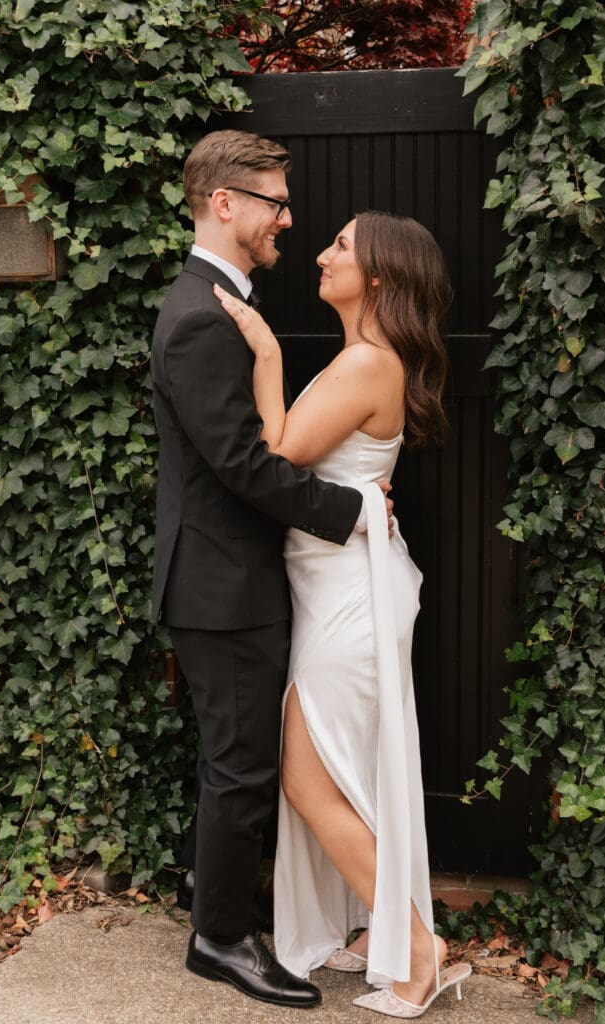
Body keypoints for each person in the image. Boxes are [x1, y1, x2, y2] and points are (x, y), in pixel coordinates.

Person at [150, 130, 393, 1009]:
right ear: (226, 204)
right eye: (275, 202)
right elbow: (244, 467)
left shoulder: (219, 304)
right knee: (243, 765)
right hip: (221, 586)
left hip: (233, 579)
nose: (288, 218)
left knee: (237, 759)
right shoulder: (199, 317)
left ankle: (211, 897)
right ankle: (219, 938)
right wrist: (353, 511)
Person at [214, 211, 472, 1020]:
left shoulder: (366, 362)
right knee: (350, 774)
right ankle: (376, 932)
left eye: (340, 248)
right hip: (338, 587)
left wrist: (264, 355)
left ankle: (420, 951)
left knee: (306, 776)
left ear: (381, 278)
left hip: (349, 599)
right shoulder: (362, 359)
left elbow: (276, 454)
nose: (321, 256)